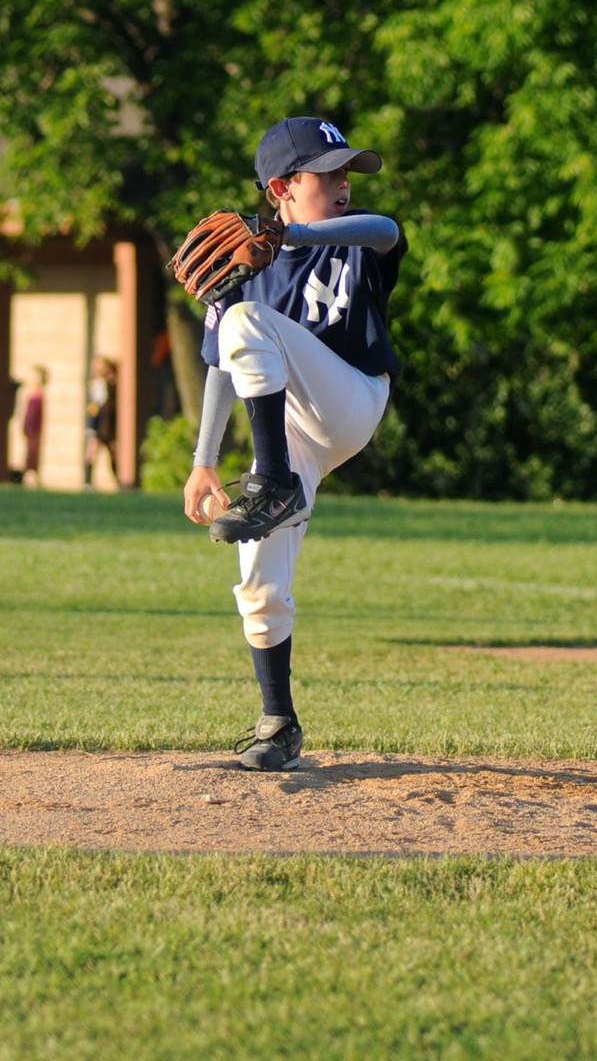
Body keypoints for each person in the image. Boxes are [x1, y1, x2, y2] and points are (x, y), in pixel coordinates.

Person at [181, 116, 407, 769]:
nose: (344, 184)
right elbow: (222, 362)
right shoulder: (244, 271)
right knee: (256, 578)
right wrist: (203, 464)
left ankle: (274, 485)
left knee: (250, 321)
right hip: (289, 431)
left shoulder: (353, 238)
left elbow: (387, 231)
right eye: (328, 174)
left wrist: (294, 234)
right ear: (281, 184)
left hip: (351, 399)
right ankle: (278, 723)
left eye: (347, 173)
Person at [85, 356, 118, 489]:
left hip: (106, 423)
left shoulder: (109, 384)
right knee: (92, 452)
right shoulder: (100, 385)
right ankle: (87, 482)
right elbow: (98, 404)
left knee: (112, 452)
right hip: (100, 423)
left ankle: (118, 481)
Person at [21, 365, 47, 487]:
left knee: (34, 454)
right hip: (32, 429)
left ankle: (33, 478)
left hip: (35, 429)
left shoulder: (39, 394)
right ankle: (27, 478)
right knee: (30, 453)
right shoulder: (35, 394)